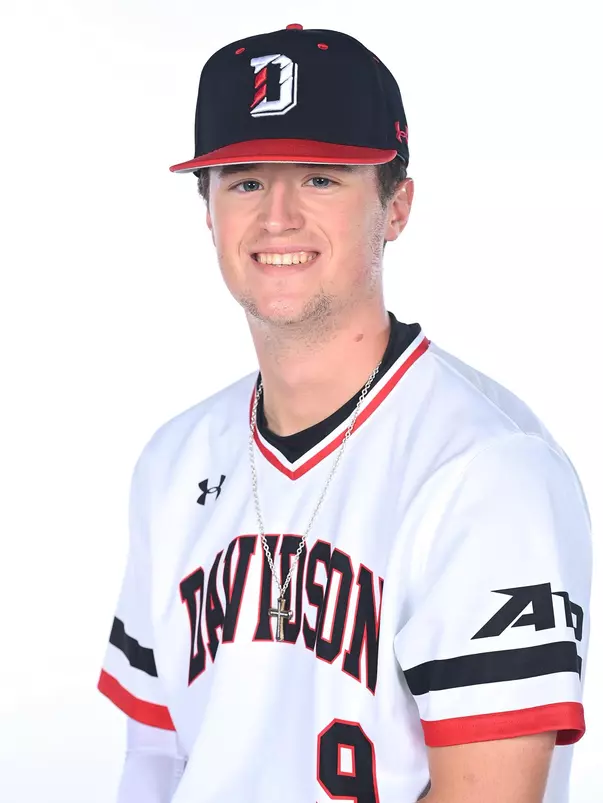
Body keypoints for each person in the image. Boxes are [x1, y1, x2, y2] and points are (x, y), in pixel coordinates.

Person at [97, 23, 592, 803]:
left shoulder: (486, 468)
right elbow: (154, 758)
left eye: (322, 178)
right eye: (245, 180)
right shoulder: (173, 461)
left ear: (395, 207)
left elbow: (489, 795)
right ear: (209, 212)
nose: (278, 216)